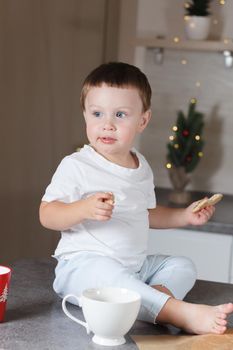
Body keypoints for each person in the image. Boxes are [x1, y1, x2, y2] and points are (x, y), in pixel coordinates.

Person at [39, 62, 233, 335]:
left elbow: (146, 213)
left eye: (120, 114)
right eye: (97, 113)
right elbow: (47, 214)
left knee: (181, 265)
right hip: (84, 267)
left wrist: (184, 216)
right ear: (85, 116)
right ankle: (177, 312)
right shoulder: (77, 166)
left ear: (142, 120)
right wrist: (83, 208)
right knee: (110, 276)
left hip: (134, 268)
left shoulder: (140, 166)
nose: (107, 124)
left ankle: (151, 303)